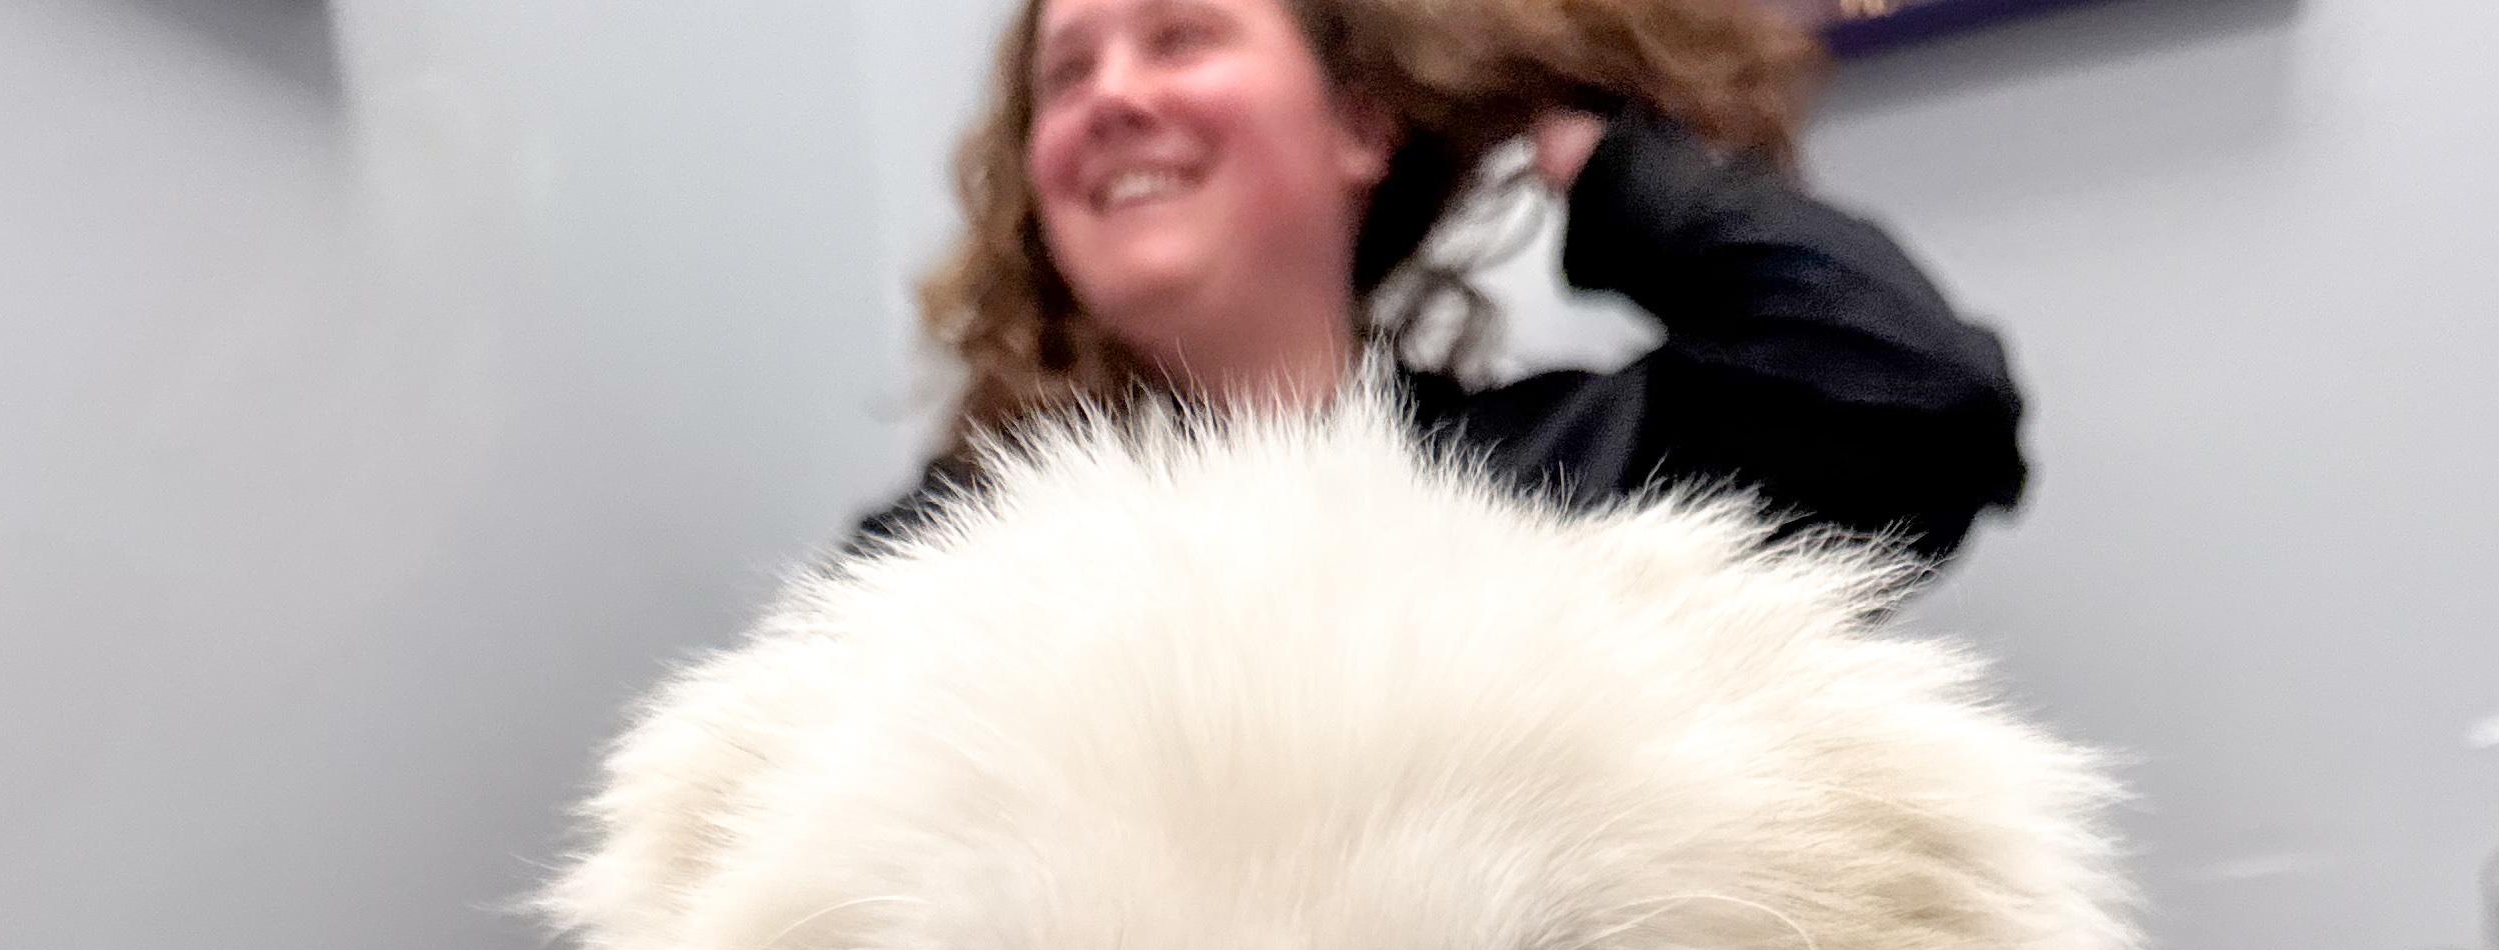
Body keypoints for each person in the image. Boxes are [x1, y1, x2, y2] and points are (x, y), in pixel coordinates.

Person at [856, 0, 2026, 572]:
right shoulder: (953, 551)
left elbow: (1917, 398)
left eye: (1181, 39)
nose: (1111, 97)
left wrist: (1604, 150)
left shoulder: (1581, 477)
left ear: (1360, 126)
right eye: (1065, 76)